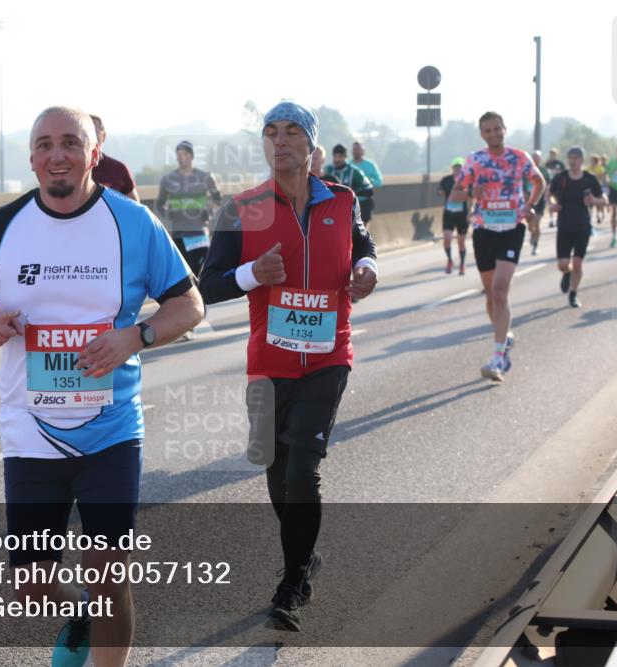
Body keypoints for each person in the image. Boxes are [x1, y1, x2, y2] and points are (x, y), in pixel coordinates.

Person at [0, 106, 203, 667]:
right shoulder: (6, 223)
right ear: (33, 157)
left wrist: (135, 337)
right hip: (29, 430)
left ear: (94, 154)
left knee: (109, 576)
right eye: (44, 144)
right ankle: (81, 614)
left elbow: (190, 304)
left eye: (70, 143)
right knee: (29, 586)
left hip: (111, 429)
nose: (56, 155)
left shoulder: (133, 223)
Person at [199, 101, 378, 632]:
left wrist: (368, 268)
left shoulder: (343, 201)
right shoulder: (244, 208)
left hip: (329, 355)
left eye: (292, 132)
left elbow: (363, 245)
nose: (280, 141)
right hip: (269, 361)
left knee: (303, 464)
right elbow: (207, 285)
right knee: (277, 473)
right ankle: (305, 554)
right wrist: (254, 273)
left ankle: (293, 580)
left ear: (311, 145)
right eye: (271, 133)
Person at [449, 111, 544, 382]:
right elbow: (456, 192)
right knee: (491, 295)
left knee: (501, 292)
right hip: (484, 230)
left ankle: (498, 357)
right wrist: (470, 193)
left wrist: (529, 206)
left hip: (512, 228)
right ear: (482, 134)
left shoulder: (519, 158)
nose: (493, 134)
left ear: (504, 129)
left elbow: (539, 181)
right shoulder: (476, 160)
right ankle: (503, 338)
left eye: (497, 129)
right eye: (488, 130)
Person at [154, 140, 222, 279]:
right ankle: (194, 300)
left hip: (199, 233)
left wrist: (209, 213)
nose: (180, 157)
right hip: (178, 235)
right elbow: (159, 204)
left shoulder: (205, 177)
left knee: (195, 274)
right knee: (183, 276)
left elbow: (217, 199)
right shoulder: (168, 179)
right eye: (178, 154)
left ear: (191, 156)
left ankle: (199, 300)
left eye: (184, 154)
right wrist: (167, 216)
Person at [548, 146, 606, 309]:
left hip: (582, 226)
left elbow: (604, 199)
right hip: (564, 226)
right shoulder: (560, 178)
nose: (572, 161)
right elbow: (549, 194)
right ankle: (567, 273)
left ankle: (573, 294)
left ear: (581, 160)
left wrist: (594, 200)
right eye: (570, 158)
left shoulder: (589, 179)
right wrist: (552, 205)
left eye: (576, 158)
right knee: (562, 264)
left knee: (578, 263)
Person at [90, 115, 140, 201]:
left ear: (103, 136)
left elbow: (135, 207)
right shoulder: (71, 169)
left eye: (94, 132)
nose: (91, 137)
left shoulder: (118, 169)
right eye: (87, 133)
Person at [438, 157, 469, 275]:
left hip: (462, 215)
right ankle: (450, 261)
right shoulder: (446, 180)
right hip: (449, 214)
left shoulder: (467, 180)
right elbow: (439, 191)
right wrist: (441, 192)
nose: (458, 169)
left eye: (460, 167)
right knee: (447, 239)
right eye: (456, 167)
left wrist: (471, 211)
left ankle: (462, 264)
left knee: (461, 242)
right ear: (452, 168)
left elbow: (471, 196)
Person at [323, 144, 374, 210]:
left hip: (348, 210)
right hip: (330, 208)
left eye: (340, 156)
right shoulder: (327, 169)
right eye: (335, 156)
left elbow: (369, 190)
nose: (337, 159)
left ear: (345, 156)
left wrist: (351, 193)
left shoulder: (355, 172)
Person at [350, 141, 383, 225]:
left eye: (358, 149)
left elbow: (379, 181)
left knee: (364, 226)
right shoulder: (348, 165)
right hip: (351, 201)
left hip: (365, 200)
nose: (356, 151)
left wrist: (370, 183)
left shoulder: (370, 165)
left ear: (363, 151)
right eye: (354, 149)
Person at [528, 150, 550, 255]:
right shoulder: (526, 169)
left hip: (540, 200)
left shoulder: (544, 171)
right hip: (528, 200)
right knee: (530, 225)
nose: (535, 159)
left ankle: (535, 245)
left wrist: (547, 196)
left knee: (536, 223)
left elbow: (548, 184)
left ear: (540, 159)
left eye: (537, 157)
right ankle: (532, 234)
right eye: (534, 157)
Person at [544, 148, 566, 227]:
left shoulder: (560, 163)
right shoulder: (547, 164)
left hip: (558, 185)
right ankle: (551, 219)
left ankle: (559, 218)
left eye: (554, 154)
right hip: (550, 184)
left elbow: (565, 174)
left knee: (559, 201)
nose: (552, 155)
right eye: (551, 153)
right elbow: (544, 174)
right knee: (549, 200)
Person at [586, 155, 606, 225]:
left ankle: (598, 214)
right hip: (590, 188)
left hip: (598, 187)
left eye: (592, 160)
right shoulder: (588, 169)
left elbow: (600, 177)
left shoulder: (600, 168)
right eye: (590, 160)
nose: (591, 162)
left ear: (595, 161)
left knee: (598, 202)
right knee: (590, 203)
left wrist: (594, 177)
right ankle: (589, 216)